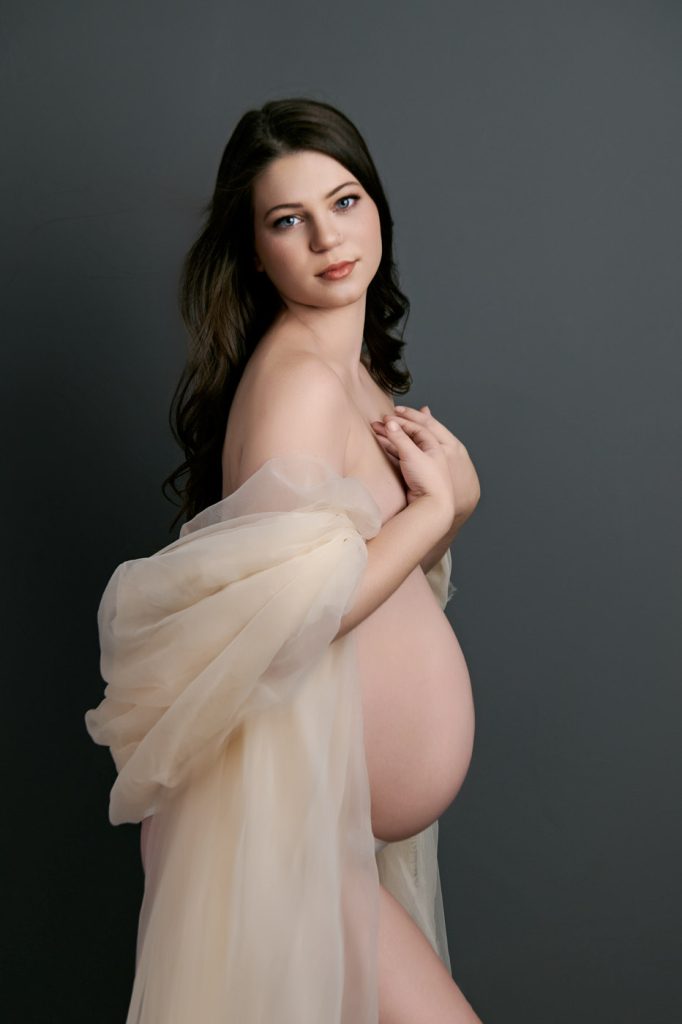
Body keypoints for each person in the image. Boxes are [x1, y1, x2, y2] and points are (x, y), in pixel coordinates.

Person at [86, 97, 482, 1023]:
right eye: (287, 220)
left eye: (344, 202)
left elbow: (377, 583)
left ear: (378, 205)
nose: (326, 239)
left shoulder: (355, 373)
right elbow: (292, 620)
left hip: (319, 829)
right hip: (274, 830)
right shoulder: (299, 382)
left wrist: (445, 515)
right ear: (253, 248)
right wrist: (440, 509)